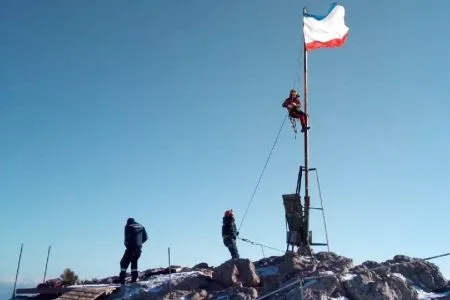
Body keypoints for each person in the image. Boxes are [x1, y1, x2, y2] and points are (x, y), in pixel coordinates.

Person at [119, 218, 148, 284]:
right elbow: (146, 237)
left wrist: (127, 244)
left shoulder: (128, 226)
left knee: (123, 263)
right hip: (138, 249)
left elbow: (127, 237)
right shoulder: (141, 226)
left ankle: (122, 279)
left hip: (130, 248)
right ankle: (134, 279)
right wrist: (139, 243)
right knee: (134, 263)